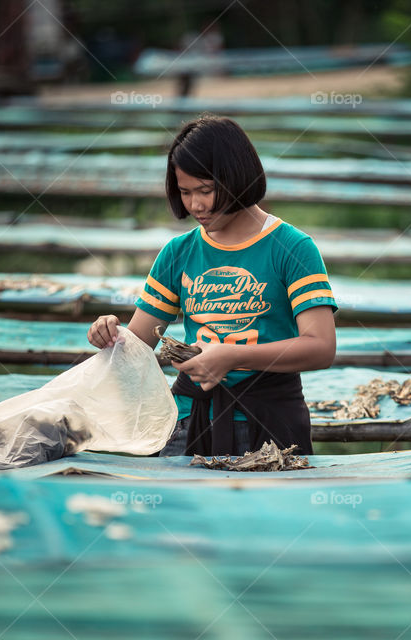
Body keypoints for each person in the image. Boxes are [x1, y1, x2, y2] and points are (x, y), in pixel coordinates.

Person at [87, 115, 337, 457]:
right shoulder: (179, 252)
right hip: (188, 418)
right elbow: (138, 343)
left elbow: (321, 347)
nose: (196, 205)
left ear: (238, 178)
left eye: (206, 190)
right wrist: (109, 334)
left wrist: (232, 357)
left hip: (268, 422)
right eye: (185, 192)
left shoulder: (292, 248)